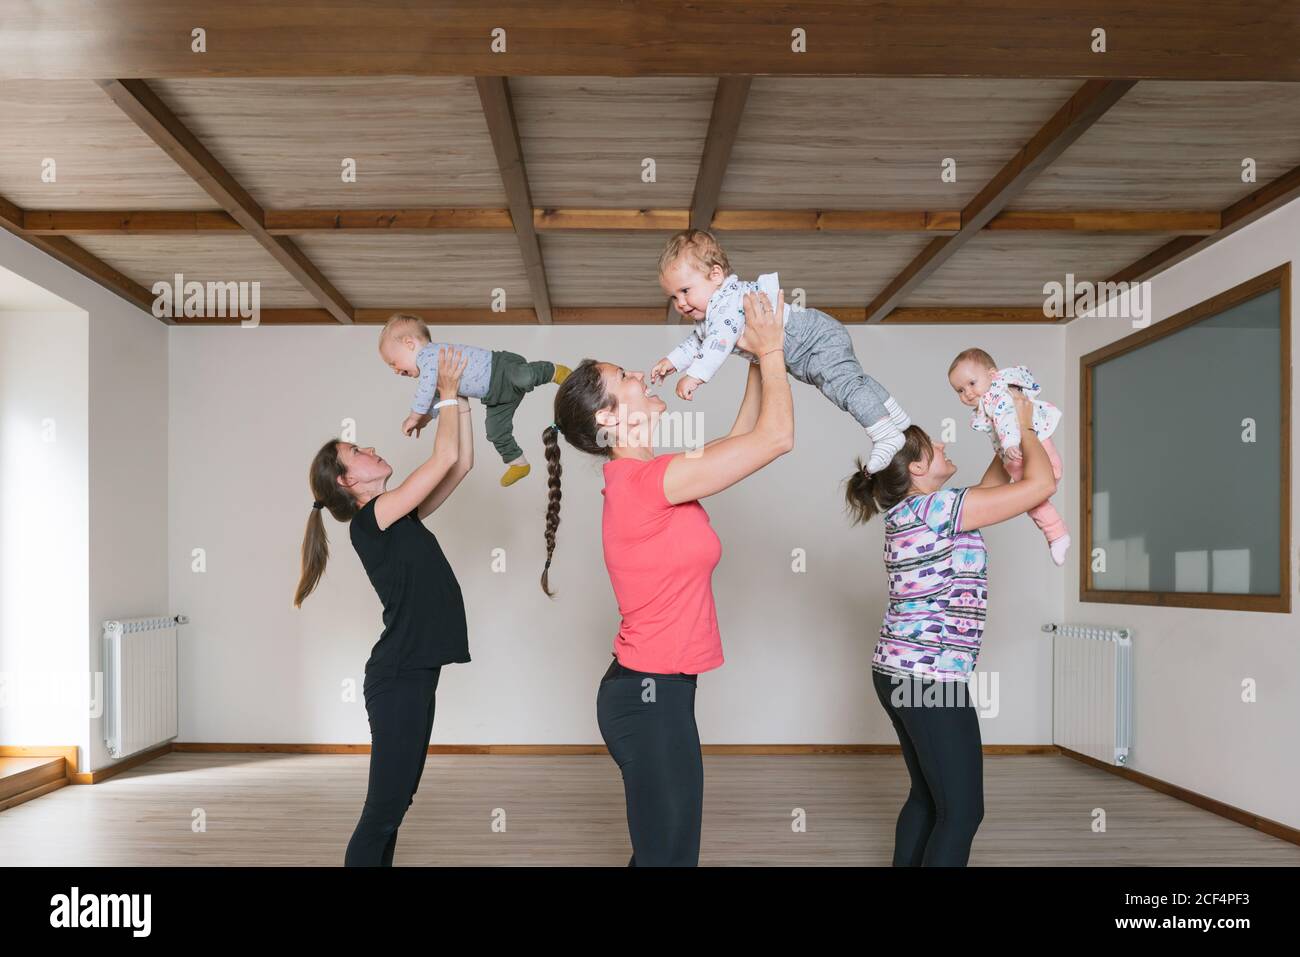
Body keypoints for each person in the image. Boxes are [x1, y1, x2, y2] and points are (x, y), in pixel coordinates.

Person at [540, 289, 794, 865]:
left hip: (661, 692)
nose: (641, 374)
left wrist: (751, 354)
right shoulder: (642, 485)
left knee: (666, 853)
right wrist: (774, 350)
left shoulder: (655, 476)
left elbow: (741, 439)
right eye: (625, 377)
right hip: (645, 699)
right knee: (669, 857)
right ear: (609, 416)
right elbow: (776, 438)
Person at [844, 387, 1057, 866]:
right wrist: (1026, 424)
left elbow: (994, 490)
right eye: (933, 446)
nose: (944, 445)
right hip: (929, 678)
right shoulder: (936, 511)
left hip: (898, 670)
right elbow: (1040, 487)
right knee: (961, 813)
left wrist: (1004, 429)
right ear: (916, 469)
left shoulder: (918, 510)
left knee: (928, 799)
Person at [294, 347, 474, 866]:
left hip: (415, 673)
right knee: (384, 808)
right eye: (359, 452)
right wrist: (442, 392)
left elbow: (459, 464)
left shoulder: (401, 517)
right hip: (398, 677)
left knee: (397, 803)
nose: (372, 449)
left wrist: (460, 397)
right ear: (349, 482)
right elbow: (439, 459)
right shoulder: (371, 522)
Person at [651, 228, 910, 472]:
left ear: (715, 275)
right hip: (807, 350)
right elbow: (696, 342)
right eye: (673, 297)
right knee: (853, 381)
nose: (681, 303)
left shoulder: (726, 304)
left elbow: (716, 344)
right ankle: (896, 417)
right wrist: (672, 362)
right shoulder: (711, 314)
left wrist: (695, 376)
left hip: (814, 339)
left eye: (685, 291)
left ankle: (884, 434)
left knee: (843, 387)